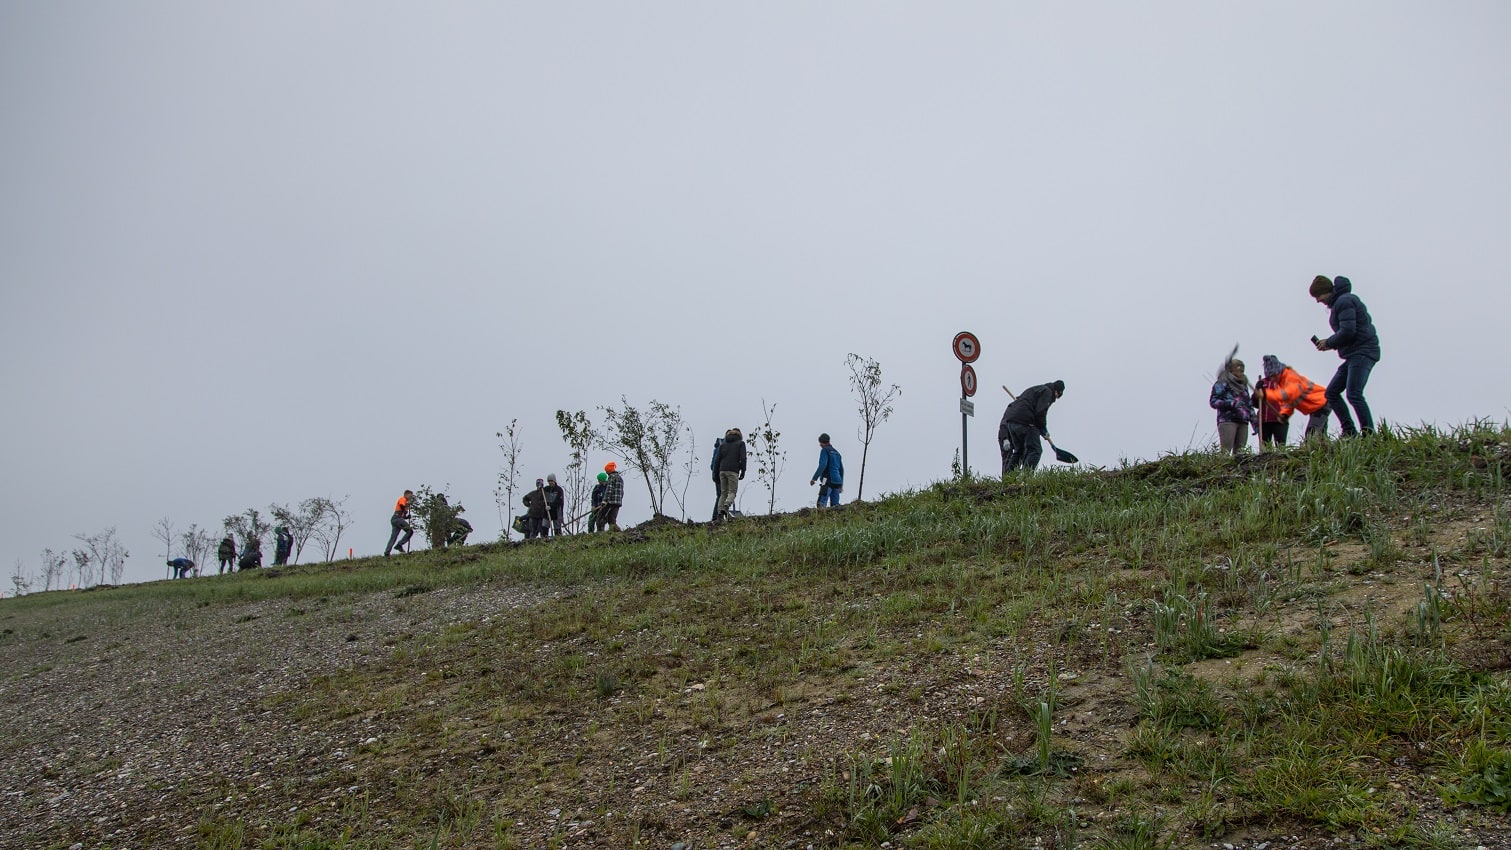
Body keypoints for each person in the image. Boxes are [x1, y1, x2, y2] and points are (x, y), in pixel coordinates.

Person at [1310, 275, 1381, 436]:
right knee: (1331, 393)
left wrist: (1328, 342)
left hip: (1363, 352)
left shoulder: (1344, 302)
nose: (1318, 300)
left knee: (1354, 393)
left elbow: (1348, 331)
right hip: (1354, 355)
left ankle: (1369, 434)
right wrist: (1330, 344)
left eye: (1318, 296)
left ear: (1326, 292)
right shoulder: (1341, 303)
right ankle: (1349, 431)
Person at [1255, 354, 1330, 444]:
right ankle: (1325, 452)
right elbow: (1288, 403)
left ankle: (1312, 453)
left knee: (1311, 435)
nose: (1272, 379)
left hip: (1322, 403)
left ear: (1279, 372)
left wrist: (1266, 394)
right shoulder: (1281, 383)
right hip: (1317, 406)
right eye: (1270, 377)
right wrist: (1285, 414)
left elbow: (1289, 393)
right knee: (1320, 434)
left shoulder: (1291, 377)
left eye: (1273, 376)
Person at [999, 380, 1064, 474]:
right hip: (1026, 422)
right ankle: (1026, 477)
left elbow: (1021, 402)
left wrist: (1042, 429)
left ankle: (1008, 477)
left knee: (1019, 451)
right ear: (1057, 392)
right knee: (1035, 450)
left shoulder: (1036, 389)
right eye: (1057, 396)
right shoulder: (1047, 392)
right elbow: (1040, 412)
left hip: (1012, 422)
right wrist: (1043, 429)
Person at [1210, 350, 1257, 456]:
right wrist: (1231, 404)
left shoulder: (1243, 385)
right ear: (1231, 370)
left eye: (1242, 370)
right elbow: (1214, 401)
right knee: (1225, 451)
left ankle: (1238, 472)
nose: (1240, 372)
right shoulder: (1222, 383)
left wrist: (1254, 421)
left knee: (1240, 453)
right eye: (1238, 369)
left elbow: (1248, 404)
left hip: (1243, 421)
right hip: (1227, 420)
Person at [715, 428, 746, 519]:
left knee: (723, 493)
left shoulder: (723, 445)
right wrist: (743, 471)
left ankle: (719, 514)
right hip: (733, 470)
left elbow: (717, 460)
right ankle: (726, 506)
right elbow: (743, 459)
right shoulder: (741, 444)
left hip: (722, 470)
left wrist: (717, 474)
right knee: (732, 492)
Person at [810, 433, 845, 507]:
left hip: (826, 480)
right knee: (835, 506)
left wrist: (814, 478)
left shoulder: (824, 450)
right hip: (837, 481)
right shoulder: (837, 453)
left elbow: (822, 465)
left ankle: (820, 518)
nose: (820, 445)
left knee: (821, 503)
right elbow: (841, 470)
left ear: (822, 442)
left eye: (820, 443)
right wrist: (841, 485)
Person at [385, 489, 415, 556]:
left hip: (395, 519)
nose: (411, 497)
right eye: (410, 495)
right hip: (397, 519)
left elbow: (402, 515)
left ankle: (387, 552)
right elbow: (401, 506)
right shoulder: (403, 499)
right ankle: (399, 545)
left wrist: (407, 517)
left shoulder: (406, 503)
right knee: (410, 531)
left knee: (393, 537)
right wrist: (406, 507)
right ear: (406, 494)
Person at [597, 462, 625, 531]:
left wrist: (604, 501)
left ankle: (600, 533)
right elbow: (622, 492)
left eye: (606, 471)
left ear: (608, 471)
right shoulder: (620, 478)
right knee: (612, 520)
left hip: (610, 502)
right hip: (618, 503)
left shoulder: (611, 478)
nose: (606, 473)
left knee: (600, 518)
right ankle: (615, 532)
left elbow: (609, 490)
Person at [708, 433, 726, 521]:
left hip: (716, 474)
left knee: (720, 495)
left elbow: (712, 465)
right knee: (722, 495)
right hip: (721, 474)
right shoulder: (723, 447)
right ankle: (717, 516)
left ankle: (717, 516)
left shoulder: (718, 447)